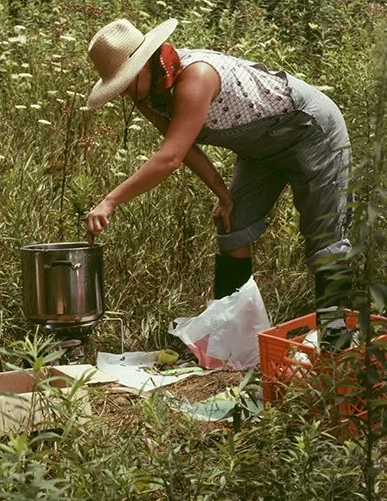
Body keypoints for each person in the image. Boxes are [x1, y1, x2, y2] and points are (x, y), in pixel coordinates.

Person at [84, 17, 352, 316]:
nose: (124, 92)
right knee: (232, 222)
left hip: (310, 130)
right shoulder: (149, 93)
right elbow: (184, 150)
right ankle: (233, 339)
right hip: (259, 149)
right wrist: (222, 193)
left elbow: (168, 158)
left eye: (126, 81)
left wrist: (111, 200)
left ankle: (336, 342)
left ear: (145, 62)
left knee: (325, 235)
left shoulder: (195, 77)